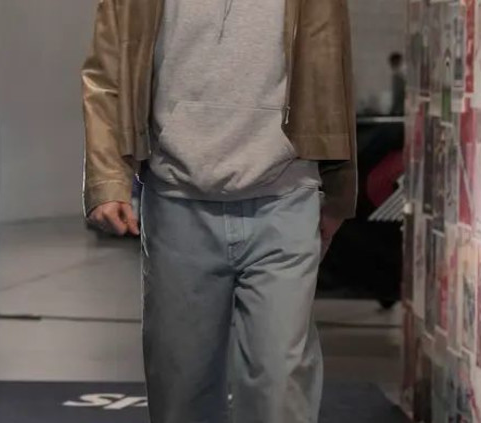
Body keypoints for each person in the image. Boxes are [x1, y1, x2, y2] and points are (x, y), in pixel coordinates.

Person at [82, 1, 356, 422]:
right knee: (181, 392)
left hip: (284, 196)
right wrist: (106, 176)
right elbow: (107, 71)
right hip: (177, 200)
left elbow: (334, 68)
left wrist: (338, 190)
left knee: (279, 389)